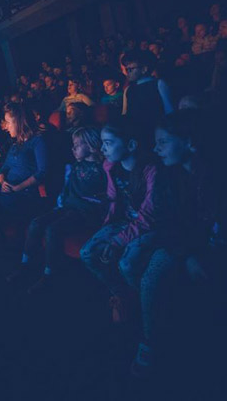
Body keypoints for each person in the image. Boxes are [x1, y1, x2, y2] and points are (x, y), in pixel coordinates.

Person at [131, 110, 224, 376]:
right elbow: (169, 223)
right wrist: (188, 255)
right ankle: (150, 340)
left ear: (189, 142)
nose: (156, 149)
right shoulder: (168, 176)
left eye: (163, 142)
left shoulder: (219, 175)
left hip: (221, 243)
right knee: (151, 276)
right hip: (184, 243)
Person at [79, 121, 163, 323]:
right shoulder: (110, 166)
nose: (102, 149)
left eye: (108, 143)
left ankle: (146, 304)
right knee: (87, 253)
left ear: (131, 145)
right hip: (125, 222)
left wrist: (117, 240)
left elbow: (148, 216)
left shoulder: (150, 171)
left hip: (149, 227)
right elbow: (113, 200)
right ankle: (121, 294)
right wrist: (106, 227)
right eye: (102, 143)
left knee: (127, 264)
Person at [14, 127, 107, 293]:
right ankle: (25, 264)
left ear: (91, 146)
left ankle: (49, 274)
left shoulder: (103, 169)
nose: (73, 149)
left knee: (52, 229)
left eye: (77, 145)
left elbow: (103, 198)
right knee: (36, 223)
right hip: (69, 207)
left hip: (85, 213)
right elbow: (67, 191)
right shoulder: (75, 166)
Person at [121, 50, 174, 138]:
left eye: (131, 69)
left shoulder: (159, 84)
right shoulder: (128, 90)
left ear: (144, 69)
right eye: (126, 69)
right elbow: (125, 114)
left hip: (157, 131)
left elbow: (169, 111)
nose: (127, 73)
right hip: (136, 133)